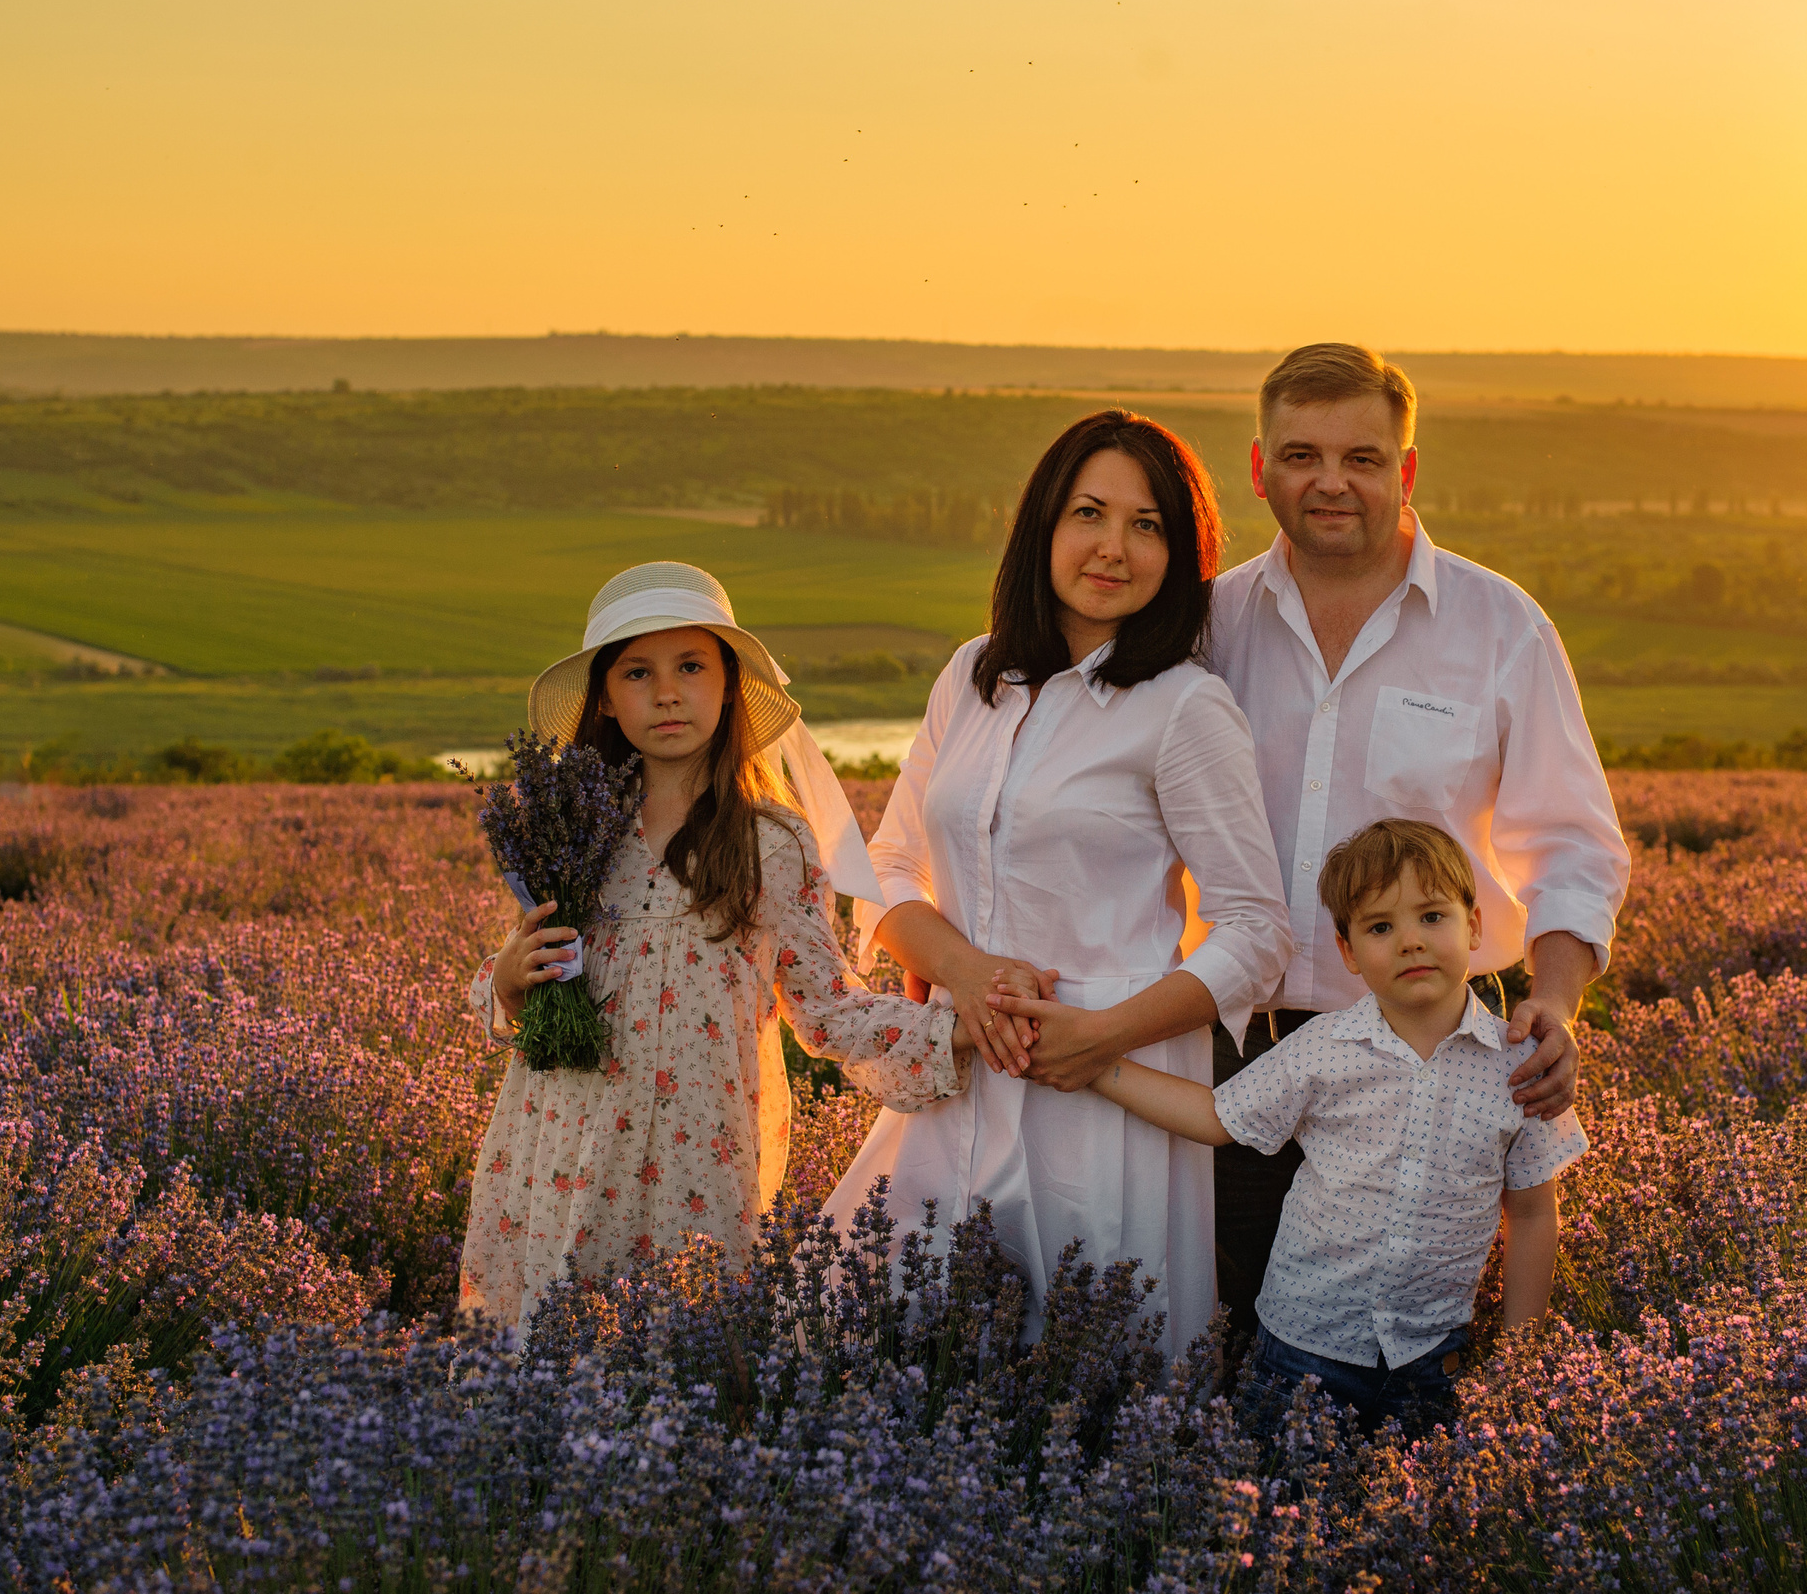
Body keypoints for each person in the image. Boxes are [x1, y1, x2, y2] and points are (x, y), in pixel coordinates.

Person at [820, 410, 1294, 1356]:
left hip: (1109, 1087)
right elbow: (889, 865)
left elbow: (1255, 931)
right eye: (1089, 512)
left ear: (1181, 551)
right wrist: (963, 970)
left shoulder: (1184, 707)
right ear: (1044, 523)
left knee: (1093, 1369)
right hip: (960, 1063)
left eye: (1148, 524)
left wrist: (1101, 1038)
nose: (1113, 548)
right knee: (871, 1330)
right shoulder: (974, 673)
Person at [1202, 342, 1628, 1359]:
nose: (1331, 481)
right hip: (1239, 1036)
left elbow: (1569, 842)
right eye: (1300, 455)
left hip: (1430, 1043)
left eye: (1362, 456)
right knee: (1230, 1319)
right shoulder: (1210, 624)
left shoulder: (1498, 625)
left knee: (1410, 1334)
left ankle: (1423, 1504)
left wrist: (1556, 1004)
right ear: (1259, 471)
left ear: (1407, 468)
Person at [458, 561, 982, 1328]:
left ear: (730, 683)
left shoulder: (773, 843)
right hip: (565, 1142)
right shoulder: (572, 832)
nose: (667, 692)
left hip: (696, 1158)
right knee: (560, 1346)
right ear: (606, 696)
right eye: (638, 672)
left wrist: (955, 1029)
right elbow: (522, 986)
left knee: (686, 1352)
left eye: (691, 666)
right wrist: (504, 982)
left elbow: (826, 1010)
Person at [1035, 818, 1585, 1438]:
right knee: (1272, 1508)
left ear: (1475, 927)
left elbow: (1534, 1213)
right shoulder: (1325, 1047)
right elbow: (1216, 1118)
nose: (1411, 942)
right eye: (1381, 927)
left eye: (1432, 917)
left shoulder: (1522, 1067)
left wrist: (1519, 1361)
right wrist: (1098, 1066)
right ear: (1348, 953)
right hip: (1302, 1349)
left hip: (1431, 1358)